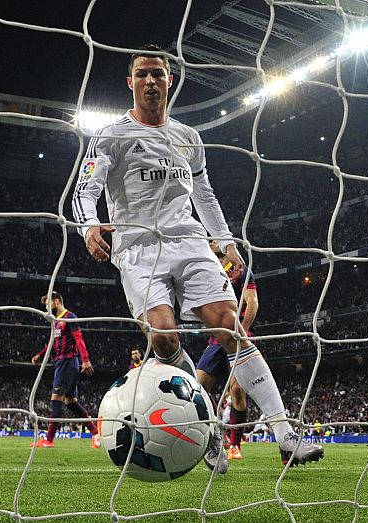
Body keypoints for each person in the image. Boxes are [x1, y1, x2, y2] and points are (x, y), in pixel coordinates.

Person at [71, 44, 324, 473]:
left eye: (159, 74)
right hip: (138, 248)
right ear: (130, 82)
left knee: (230, 323)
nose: (151, 81)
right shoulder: (112, 136)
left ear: (170, 81)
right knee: (164, 337)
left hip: (189, 242)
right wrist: (88, 226)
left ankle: (285, 436)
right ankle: (205, 426)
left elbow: (204, 195)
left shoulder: (189, 138)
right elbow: (86, 188)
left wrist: (225, 241)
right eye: (143, 74)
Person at [196, 240, 259, 460]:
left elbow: (252, 303)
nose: (210, 243)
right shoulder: (210, 269)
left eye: (213, 240)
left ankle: (235, 445)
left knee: (237, 391)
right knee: (199, 386)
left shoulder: (241, 269)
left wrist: (243, 332)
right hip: (217, 337)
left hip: (240, 334)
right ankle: (214, 434)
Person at [30, 291, 100, 449]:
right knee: (71, 402)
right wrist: (40, 355)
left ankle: (49, 440)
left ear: (56, 301)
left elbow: (78, 338)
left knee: (56, 399)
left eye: (48, 303)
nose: (47, 307)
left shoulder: (70, 317)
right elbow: (52, 343)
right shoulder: (55, 321)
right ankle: (95, 432)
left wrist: (86, 360)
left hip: (67, 362)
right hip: (62, 362)